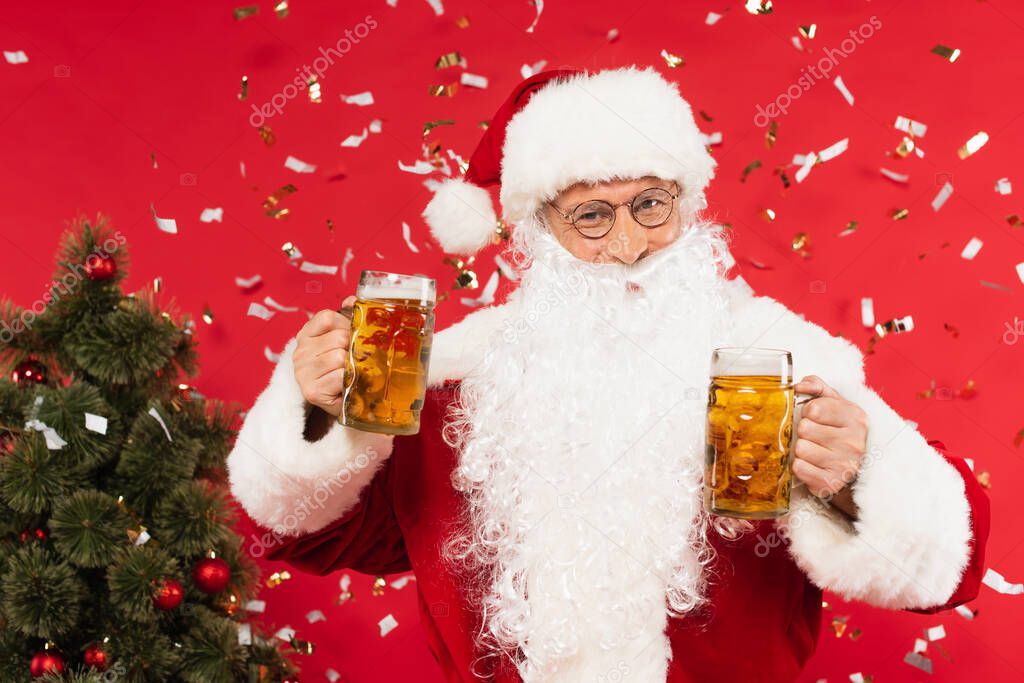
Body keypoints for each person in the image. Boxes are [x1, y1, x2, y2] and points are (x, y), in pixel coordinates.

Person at [227, 66, 990, 682]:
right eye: (592, 215)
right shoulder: (462, 382)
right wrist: (316, 412)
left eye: (650, 205)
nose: (629, 244)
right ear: (540, 232)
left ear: (687, 207)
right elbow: (300, 535)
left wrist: (857, 477)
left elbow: (949, 565)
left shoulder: (775, 361)